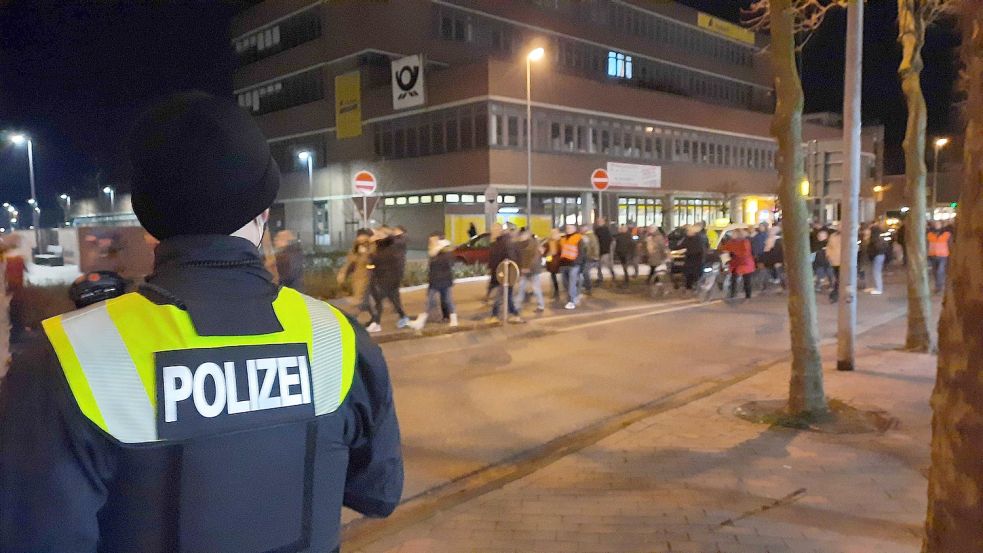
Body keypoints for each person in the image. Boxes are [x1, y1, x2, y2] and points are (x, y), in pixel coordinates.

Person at [0, 93, 402, 553]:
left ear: (148, 224)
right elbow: (379, 493)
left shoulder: (60, 360)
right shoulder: (340, 339)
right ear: (264, 214)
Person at [367, 227, 410, 332]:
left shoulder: (390, 247)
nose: (376, 236)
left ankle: (376, 323)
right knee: (393, 300)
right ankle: (404, 318)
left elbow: (373, 263)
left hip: (387, 279)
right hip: (388, 278)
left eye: (379, 235)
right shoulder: (384, 247)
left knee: (378, 301)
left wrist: (370, 266)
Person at [411, 234, 457, 329]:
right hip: (436, 281)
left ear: (439, 241)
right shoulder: (434, 252)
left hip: (443, 280)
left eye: (433, 240)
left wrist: (438, 250)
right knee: (432, 301)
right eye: (430, 241)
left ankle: (453, 319)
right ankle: (421, 321)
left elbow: (449, 263)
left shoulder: (444, 252)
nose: (431, 243)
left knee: (446, 300)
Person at [486, 223, 523, 322]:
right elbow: (493, 259)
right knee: (507, 297)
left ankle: (494, 316)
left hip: (504, 274)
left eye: (495, 229)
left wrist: (508, 273)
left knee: (499, 297)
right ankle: (515, 315)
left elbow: (510, 259)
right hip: (498, 274)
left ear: (500, 230)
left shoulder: (505, 242)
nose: (492, 232)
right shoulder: (495, 243)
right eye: (492, 230)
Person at [338, 228, 375, 320]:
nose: (360, 239)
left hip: (369, 279)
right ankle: (374, 318)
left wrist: (365, 254)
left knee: (360, 301)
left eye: (363, 237)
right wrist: (343, 274)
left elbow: (372, 263)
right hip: (358, 279)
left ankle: (353, 320)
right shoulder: (355, 248)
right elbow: (350, 263)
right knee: (364, 302)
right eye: (359, 237)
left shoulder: (373, 247)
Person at [515, 229, 545, 313]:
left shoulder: (534, 244)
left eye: (523, 235)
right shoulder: (518, 245)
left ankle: (541, 305)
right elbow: (518, 258)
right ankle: (517, 306)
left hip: (533, 270)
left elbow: (535, 258)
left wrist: (528, 268)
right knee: (521, 288)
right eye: (520, 235)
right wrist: (521, 268)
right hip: (523, 270)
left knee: (536, 289)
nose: (521, 237)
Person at [721, 229, 756, 300]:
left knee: (746, 279)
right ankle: (732, 293)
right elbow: (724, 248)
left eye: (734, 233)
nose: (732, 235)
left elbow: (745, 252)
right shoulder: (731, 242)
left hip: (745, 263)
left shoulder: (745, 242)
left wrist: (734, 253)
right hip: (735, 263)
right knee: (733, 278)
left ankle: (748, 295)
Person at [558, 224, 584, 309]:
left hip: (573, 264)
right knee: (565, 283)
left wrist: (578, 262)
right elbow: (560, 251)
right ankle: (574, 296)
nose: (568, 229)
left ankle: (571, 301)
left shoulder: (578, 238)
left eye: (570, 228)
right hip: (564, 264)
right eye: (567, 228)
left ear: (574, 229)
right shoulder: (563, 238)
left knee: (572, 284)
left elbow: (581, 252)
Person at [927, 220, 952, 295]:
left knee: (940, 271)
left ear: (941, 225)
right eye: (935, 224)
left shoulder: (947, 234)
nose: (936, 225)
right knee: (935, 272)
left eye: (938, 224)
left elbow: (950, 244)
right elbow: (927, 244)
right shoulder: (929, 234)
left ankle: (939, 287)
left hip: (943, 255)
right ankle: (938, 285)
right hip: (932, 255)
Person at [679, 225, 707, 290]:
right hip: (690, 258)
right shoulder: (687, 238)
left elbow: (701, 249)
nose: (687, 232)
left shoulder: (698, 239)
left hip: (696, 259)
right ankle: (690, 287)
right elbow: (680, 246)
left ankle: (694, 287)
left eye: (688, 231)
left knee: (694, 273)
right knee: (689, 273)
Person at [866, 222, 889, 295]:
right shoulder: (879, 238)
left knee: (876, 272)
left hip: (877, 256)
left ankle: (879, 288)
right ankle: (877, 287)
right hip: (880, 255)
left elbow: (874, 248)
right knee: (876, 271)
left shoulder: (874, 239)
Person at [579, 224, 599, 296]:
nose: (580, 231)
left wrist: (594, 256)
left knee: (585, 272)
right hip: (587, 257)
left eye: (581, 229)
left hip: (590, 258)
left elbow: (593, 247)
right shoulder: (588, 236)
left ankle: (588, 288)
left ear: (585, 229)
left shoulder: (588, 236)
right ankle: (585, 286)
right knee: (583, 272)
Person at [594, 217, 614, 285]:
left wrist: (607, 249)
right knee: (599, 265)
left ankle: (612, 273)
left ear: (603, 222)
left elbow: (609, 240)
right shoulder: (597, 230)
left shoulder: (605, 230)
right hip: (600, 251)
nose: (598, 223)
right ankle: (600, 278)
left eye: (599, 221)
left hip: (604, 250)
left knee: (606, 264)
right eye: (598, 221)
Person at [825, 228, 842, 302]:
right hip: (835, 260)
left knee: (839, 278)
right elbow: (828, 246)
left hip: (844, 261)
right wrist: (828, 255)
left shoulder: (847, 236)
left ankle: (835, 294)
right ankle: (836, 293)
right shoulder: (833, 236)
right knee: (837, 277)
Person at [546, 227, 563, 300]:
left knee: (563, 278)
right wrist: (548, 257)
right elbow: (546, 253)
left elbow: (562, 251)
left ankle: (559, 292)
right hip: (552, 263)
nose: (553, 234)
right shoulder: (549, 241)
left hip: (560, 262)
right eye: (552, 232)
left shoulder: (561, 241)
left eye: (555, 232)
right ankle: (556, 292)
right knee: (553, 278)